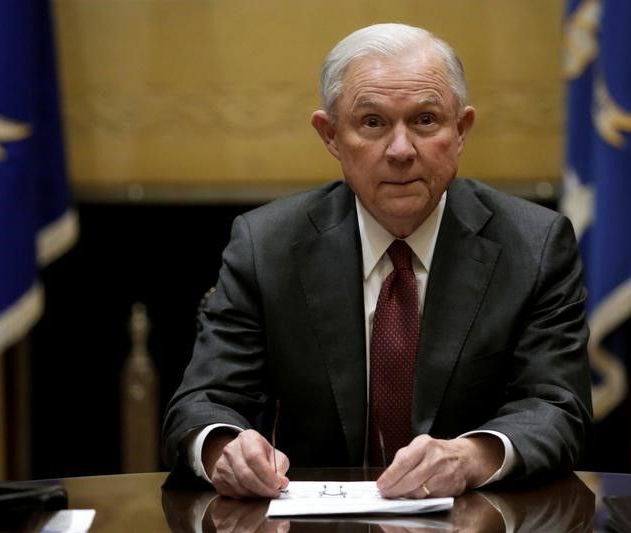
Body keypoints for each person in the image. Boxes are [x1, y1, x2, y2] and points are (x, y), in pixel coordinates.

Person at [162, 22, 592, 500]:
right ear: (330, 135)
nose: (401, 150)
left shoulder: (533, 245)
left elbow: (557, 407)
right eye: (372, 123)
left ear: (461, 130)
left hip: (474, 519)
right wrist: (226, 450)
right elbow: (201, 403)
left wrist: (470, 457)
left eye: (425, 120)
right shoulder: (267, 246)